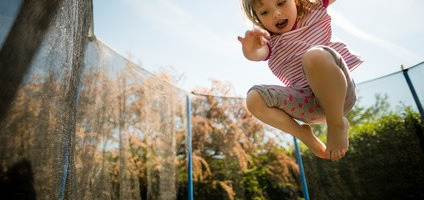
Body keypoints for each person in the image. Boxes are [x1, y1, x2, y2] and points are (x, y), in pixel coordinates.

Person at [237, 0, 363, 161]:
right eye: (264, 12)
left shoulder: (314, 10)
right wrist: (251, 49)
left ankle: (336, 123)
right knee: (254, 98)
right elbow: (257, 54)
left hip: (340, 94)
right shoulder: (269, 42)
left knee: (314, 56)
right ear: (258, 19)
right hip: (308, 105)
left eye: (281, 3)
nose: (276, 14)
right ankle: (304, 135)